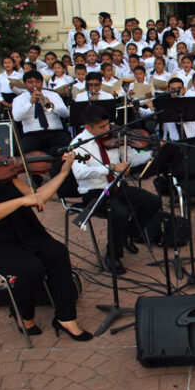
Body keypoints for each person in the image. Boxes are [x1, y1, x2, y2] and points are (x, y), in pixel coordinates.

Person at [0, 123, 92, 341]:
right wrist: (20, 201)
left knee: (57, 252)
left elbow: (38, 197)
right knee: (32, 267)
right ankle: (24, 315)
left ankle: (66, 317)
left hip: (16, 233)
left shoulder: (1, 172)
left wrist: (63, 172)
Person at [71, 105, 163, 274]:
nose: (107, 130)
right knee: (119, 212)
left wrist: (151, 154)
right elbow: (80, 173)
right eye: (101, 127)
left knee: (153, 202)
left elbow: (132, 159)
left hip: (117, 187)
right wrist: (111, 168)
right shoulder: (79, 144)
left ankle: (129, 234)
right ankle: (112, 256)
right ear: (87, 127)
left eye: (108, 125)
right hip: (95, 192)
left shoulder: (116, 137)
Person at [11, 71, 72, 187]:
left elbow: (65, 114)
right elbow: (17, 117)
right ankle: (35, 177)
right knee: (26, 147)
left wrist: (50, 104)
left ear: (42, 83)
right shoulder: (19, 99)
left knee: (67, 144)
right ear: (25, 84)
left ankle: (64, 175)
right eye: (30, 82)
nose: (34, 85)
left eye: (37, 82)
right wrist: (30, 103)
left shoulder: (53, 95)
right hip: (33, 134)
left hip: (55, 132)